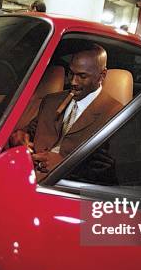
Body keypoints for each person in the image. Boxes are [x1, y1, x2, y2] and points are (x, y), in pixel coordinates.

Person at [10, 43, 122, 175]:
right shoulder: (51, 101)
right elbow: (29, 131)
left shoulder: (115, 114)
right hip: (26, 175)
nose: (73, 82)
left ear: (102, 75)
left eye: (82, 76)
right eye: (71, 73)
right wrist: (20, 137)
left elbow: (111, 170)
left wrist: (65, 165)